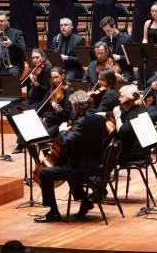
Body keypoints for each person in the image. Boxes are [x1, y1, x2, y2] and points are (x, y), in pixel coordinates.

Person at [35, 90, 108, 223]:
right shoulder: (99, 119)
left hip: (82, 169)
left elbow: (66, 141)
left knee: (45, 173)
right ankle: (85, 201)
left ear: (77, 106)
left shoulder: (81, 122)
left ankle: (53, 212)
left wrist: (63, 130)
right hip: (97, 165)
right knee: (68, 167)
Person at [114, 85, 147, 163]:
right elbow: (112, 113)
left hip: (134, 154)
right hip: (144, 151)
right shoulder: (139, 109)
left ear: (129, 98)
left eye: (122, 96)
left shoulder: (133, 114)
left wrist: (117, 117)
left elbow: (121, 133)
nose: (119, 98)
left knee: (107, 156)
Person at [38, 66, 73, 139]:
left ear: (62, 76)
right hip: (49, 119)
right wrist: (39, 115)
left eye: (56, 77)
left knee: (42, 136)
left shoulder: (68, 90)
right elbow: (42, 105)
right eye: (52, 78)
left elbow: (67, 112)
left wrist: (61, 110)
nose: (54, 80)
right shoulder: (52, 90)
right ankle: (20, 146)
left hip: (60, 123)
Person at [99, 16, 134, 83]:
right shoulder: (104, 40)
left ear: (114, 26)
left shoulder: (127, 39)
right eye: (105, 31)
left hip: (125, 70)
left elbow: (133, 57)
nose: (107, 33)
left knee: (119, 80)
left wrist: (120, 57)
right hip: (109, 70)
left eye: (108, 30)